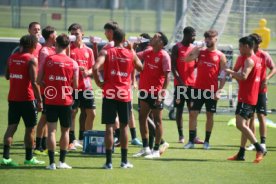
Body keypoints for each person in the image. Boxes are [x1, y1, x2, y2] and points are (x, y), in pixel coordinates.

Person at [93, 28, 143, 169]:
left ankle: (108, 162)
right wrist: (132, 50)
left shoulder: (107, 52)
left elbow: (96, 67)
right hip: (124, 94)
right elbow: (141, 68)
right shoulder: (130, 53)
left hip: (109, 92)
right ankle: (124, 161)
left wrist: (99, 83)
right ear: (124, 39)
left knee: (109, 127)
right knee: (124, 127)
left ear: (112, 38)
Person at [1, 35, 44, 166]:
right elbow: (34, 82)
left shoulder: (11, 58)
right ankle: (29, 158)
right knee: (30, 129)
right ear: (32, 46)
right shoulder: (31, 59)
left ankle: (6, 158)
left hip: (13, 98)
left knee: (11, 128)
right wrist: (40, 100)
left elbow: (7, 76)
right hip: (27, 99)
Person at [38, 34, 79, 170]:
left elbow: (39, 80)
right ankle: (62, 162)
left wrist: (48, 87)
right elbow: (76, 85)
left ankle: (51, 164)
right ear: (68, 46)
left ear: (55, 44)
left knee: (51, 131)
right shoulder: (73, 63)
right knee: (65, 131)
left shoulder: (49, 59)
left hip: (50, 100)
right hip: (66, 101)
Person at [183, 29, 227, 150]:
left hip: (212, 90)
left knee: (209, 116)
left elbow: (223, 75)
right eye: (206, 38)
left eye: (210, 38)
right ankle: (191, 141)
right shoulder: (200, 52)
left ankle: (207, 142)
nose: (207, 40)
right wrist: (196, 48)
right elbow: (186, 59)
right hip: (198, 89)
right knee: (192, 114)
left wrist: (219, 90)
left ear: (215, 39)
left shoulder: (220, 56)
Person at [226, 36, 266, 163]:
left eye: (240, 46)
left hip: (246, 97)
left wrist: (229, 71)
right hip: (251, 96)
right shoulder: (258, 59)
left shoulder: (249, 60)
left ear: (247, 46)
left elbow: (243, 76)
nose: (239, 49)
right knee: (246, 125)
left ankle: (259, 148)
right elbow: (248, 79)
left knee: (240, 124)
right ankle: (241, 153)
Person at [133, 32, 171, 159]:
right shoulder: (148, 51)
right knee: (142, 118)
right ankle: (146, 148)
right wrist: (133, 47)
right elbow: (133, 57)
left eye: (156, 37)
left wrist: (161, 93)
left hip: (156, 93)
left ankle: (156, 150)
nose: (152, 38)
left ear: (161, 42)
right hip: (144, 91)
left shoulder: (164, 56)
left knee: (158, 121)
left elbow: (167, 77)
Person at [240, 34, 275, 152]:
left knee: (261, 116)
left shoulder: (264, 55)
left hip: (261, 91)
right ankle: (253, 143)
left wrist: (267, 78)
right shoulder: (246, 56)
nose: (257, 46)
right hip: (251, 91)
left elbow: (273, 68)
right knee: (250, 117)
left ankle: (263, 143)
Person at [171, 26, 203, 144]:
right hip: (180, 85)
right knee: (179, 109)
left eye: (195, 35)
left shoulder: (195, 49)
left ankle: (194, 135)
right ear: (186, 35)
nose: (194, 38)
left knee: (193, 110)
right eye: (192, 35)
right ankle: (181, 135)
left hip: (192, 85)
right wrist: (180, 82)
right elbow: (173, 67)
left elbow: (195, 64)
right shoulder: (177, 48)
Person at [68, 23, 96, 150]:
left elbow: (93, 68)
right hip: (72, 87)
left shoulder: (88, 50)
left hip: (86, 87)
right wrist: (75, 68)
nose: (74, 36)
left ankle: (86, 139)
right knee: (72, 112)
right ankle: (71, 140)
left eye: (76, 34)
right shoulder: (68, 49)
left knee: (92, 113)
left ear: (82, 34)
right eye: (72, 34)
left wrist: (88, 72)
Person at [34, 26, 57, 155]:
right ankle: (38, 145)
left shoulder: (53, 49)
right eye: (55, 33)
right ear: (51, 36)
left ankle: (44, 145)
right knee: (44, 118)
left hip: (53, 91)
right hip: (46, 91)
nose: (57, 35)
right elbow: (40, 71)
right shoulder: (44, 51)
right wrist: (43, 83)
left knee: (49, 118)